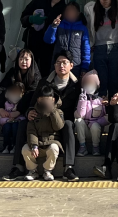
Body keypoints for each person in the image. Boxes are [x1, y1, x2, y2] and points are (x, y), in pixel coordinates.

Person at [0, 49, 44, 180]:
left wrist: (19, 110)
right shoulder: (12, 73)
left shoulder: (36, 76)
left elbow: (32, 95)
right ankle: (18, 166)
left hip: (29, 112)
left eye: (26, 59)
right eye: (21, 58)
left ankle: (22, 165)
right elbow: (1, 89)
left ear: (32, 61)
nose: (23, 61)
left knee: (22, 124)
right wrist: (0, 108)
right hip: (10, 111)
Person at [45, 52, 83, 181]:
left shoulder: (77, 85)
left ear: (71, 65)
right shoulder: (45, 83)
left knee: (68, 124)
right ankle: (18, 167)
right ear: (54, 65)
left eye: (64, 62)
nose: (61, 65)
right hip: (48, 120)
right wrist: (30, 112)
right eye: (58, 62)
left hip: (67, 123)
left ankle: (68, 168)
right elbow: (34, 103)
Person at [21, 0, 70, 74]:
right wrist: (31, 19)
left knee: (46, 72)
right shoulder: (38, 1)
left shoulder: (65, 9)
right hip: (32, 43)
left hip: (50, 47)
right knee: (29, 70)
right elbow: (23, 18)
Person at [22, 85, 66, 181]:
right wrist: (34, 145)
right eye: (42, 99)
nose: (45, 102)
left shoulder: (58, 112)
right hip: (38, 144)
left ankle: (48, 171)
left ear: (53, 99)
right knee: (25, 149)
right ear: (38, 100)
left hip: (51, 142)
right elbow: (31, 131)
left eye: (48, 99)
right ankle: (33, 171)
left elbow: (58, 126)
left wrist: (52, 111)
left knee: (54, 148)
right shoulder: (33, 113)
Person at [44, 0, 91, 74]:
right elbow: (48, 40)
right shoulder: (59, 25)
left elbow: (86, 49)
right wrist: (53, 26)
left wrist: (84, 68)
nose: (70, 13)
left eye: (73, 11)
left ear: (78, 13)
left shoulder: (83, 28)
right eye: (68, 11)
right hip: (59, 66)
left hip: (75, 67)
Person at [73, 69, 107, 156]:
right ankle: (82, 146)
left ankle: (96, 147)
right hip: (84, 129)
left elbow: (106, 118)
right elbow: (80, 115)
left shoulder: (101, 100)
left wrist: (96, 123)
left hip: (96, 129)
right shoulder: (80, 99)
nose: (89, 85)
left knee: (95, 125)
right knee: (79, 121)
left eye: (91, 83)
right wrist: (82, 101)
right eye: (86, 83)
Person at [0, 80, 24, 153]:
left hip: (16, 124)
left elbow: (23, 117)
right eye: (14, 92)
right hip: (6, 124)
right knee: (7, 127)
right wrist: (7, 120)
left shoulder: (21, 105)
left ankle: (14, 145)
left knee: (15, 126)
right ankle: (6, 146)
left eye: (18, 93)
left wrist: (16, 119)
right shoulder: (5, 104)